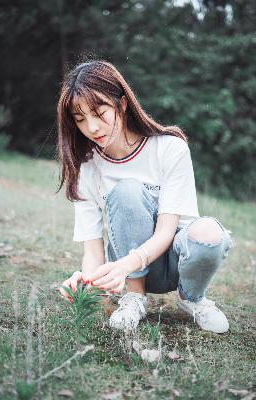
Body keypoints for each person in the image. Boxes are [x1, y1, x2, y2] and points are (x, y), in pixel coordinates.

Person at [57, 60, 232, 333]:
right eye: (80, 120)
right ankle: (135, 297)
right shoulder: (87, 168)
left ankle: (193, 299)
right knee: (127, 191)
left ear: (122, 104)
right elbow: (93, 249)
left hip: (174, 261)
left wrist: (125, 264)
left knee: (209, 232)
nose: (92, 128)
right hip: (131, 270)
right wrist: (87, 281)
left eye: (99, 113)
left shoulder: (169, 148)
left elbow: (166, 232)